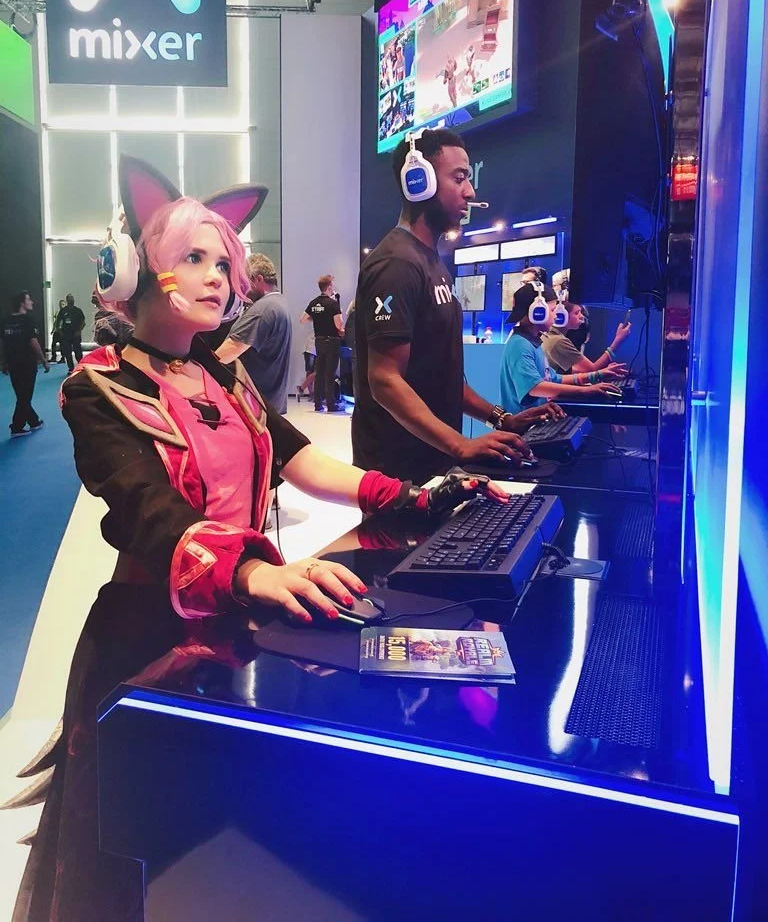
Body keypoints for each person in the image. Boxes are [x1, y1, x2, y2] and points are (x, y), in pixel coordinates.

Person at [17, 155, 508, 922]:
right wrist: (250, 571)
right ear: (139, 269)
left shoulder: (226, 376)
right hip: (147, 637)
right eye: (195, 259)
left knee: (231, 847)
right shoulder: (97, 388)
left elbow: (297, 456)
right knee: (136, 852)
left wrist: (405, 495)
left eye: (225, 260)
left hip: (239, 625)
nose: (219, 277)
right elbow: (149, 512)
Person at [352, 128, 561, 485]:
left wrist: (501, 418)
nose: (470, 190)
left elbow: (444, 378)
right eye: (459, 177)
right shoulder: (396, 264)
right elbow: (385, 380)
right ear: (419, 182)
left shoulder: (431, 261)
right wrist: (461, 445)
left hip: (434, 463)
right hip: (398, 475)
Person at [500, 283, 626, 415]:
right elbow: (535, 387)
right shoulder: (520, 344)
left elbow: (554, 379)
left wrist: (597, 376)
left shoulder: (534, 342)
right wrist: (586, 390)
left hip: (535, 423)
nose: (556, 316)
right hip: (521, 430)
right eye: (553, 310)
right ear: (537, 313)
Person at [215, 253, 292, 414]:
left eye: (244, 281)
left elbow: (223, 356)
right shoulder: (279, 303)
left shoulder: (263, 310)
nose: (242, 287)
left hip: (254, 404)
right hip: (271, 402)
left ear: (258, 279)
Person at [0, 290, 49, 436]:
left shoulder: (5, 321)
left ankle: (33, 421)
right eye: (28, 299)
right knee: (25, 396)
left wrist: (3, 362)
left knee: (21, 394)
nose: (31, 302)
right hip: (27, 363)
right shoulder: (28, 320)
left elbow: (2, 343)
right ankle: (17, 426)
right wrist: (43, 360)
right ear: (22, 303)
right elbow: (33, 342)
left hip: (13, 363)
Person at [542, 301, 631, 375]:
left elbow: (564, 371)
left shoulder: (549, 335)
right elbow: (592, 369)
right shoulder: (558, 341)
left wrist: (603, 372)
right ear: (562, 316)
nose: (581, 316)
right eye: (576, 313)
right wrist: (618, 340)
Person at [300, 274, 344, 412]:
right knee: (330, 373)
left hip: (319, 341)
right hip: (332, 341)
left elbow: (302, 319)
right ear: (329, 287)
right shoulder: (333, 304)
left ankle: (317, 404)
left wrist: (318, 319)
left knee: (319, 372)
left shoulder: (314, 303)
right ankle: (331, 404)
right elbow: (339, 325)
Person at [58, 293, 86, 373]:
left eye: (72, 298)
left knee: (78, 351)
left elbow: (83, 322)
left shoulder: (78, 310)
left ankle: (81, 366)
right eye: (70, 298)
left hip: (75, 334)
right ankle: (71, 368)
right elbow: (58, 322)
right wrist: (60, 332)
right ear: (67, 300)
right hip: (66, 335)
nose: (71, 300)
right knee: (68, 352)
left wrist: (79, 331)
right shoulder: (63, 311)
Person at [50, 298, 66, 363]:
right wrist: (53, 329)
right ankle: (54, 357)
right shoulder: (58, 313)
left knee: (62, 346)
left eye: (63, 304)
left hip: (62, 332)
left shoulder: (66, 313)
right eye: (60, 304)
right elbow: (56, 322)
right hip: (57, 331)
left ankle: (63, 358)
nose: (61, 305)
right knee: (53, 344)